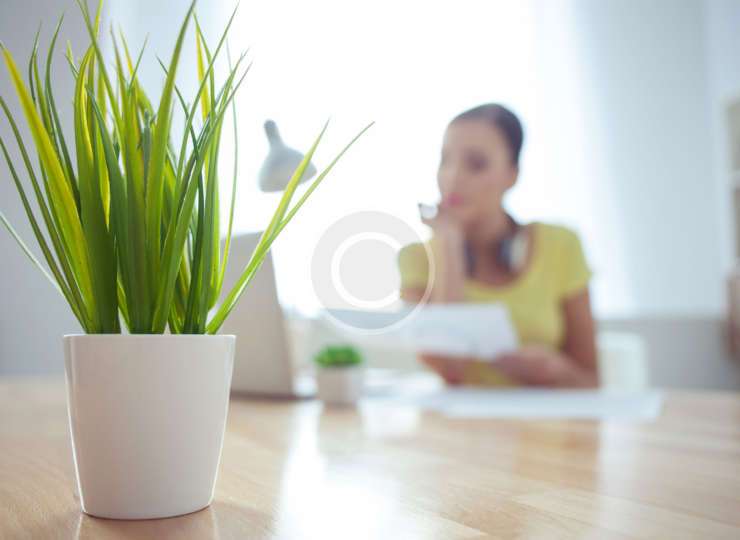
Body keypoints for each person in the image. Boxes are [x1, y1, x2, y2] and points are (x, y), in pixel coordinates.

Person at [398, 104, 597, 387]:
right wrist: (449, 246)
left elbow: (591, 380)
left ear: (512, 175)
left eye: (476, 164)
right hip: (459, 428)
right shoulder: (417, 258)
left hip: (549, 425)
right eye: (445, 161)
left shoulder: (561, 245)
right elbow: (450, 368)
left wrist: (555, 371)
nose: (453, 178)